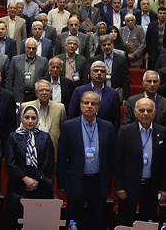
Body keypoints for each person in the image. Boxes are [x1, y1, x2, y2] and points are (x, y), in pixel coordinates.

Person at [56, 92, 115, 230]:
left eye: (93, 103)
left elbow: (111, 157)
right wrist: (62, 182)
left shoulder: (108, 127)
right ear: (80, 105)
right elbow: (62, 157)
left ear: (98, 107)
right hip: (76, 181)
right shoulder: (68, 126)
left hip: (98, 182)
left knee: (98, 221)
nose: (89, 106)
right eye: (86, 103)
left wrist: (108, 180)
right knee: (74, 222)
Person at [115, 97, 166, 225]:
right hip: (129, 187)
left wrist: (163, 188)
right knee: (125, 222)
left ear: (154, 112)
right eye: (142, 110)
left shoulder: (163, 132)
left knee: (148, 222)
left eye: (149, 110)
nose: (145, 113)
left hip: (151, 187)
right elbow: (118, 162)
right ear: (135, 112)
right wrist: (119, 186)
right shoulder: (125, 131)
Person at [5, 105, 55, 229]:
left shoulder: (45, 137)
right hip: (19, 184)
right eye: (27, 117)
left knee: (39, 222)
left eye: (33, 118)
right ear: (22, 118)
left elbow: (48, 162)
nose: (30, 121)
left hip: (40, 185)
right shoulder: (13, 136)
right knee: (17, 221)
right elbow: (10, 162)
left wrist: (36, 180)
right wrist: (25, 178)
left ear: (38, 119)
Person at [68, 61, 121, 132]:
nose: (99, 73)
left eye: (102, 71)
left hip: (104, 132)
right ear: (90, 74)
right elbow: (72, 115)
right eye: (96, 71)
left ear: (106, 75)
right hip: (81, 131)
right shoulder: (79, 91)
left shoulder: (113, 94)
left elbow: (116, 120)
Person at [89, 35, 131, 99]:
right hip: (99, 92)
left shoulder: (122, 59)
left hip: (116, 92)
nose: (106, 47)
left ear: (113, 44)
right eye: (104, 45)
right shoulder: (95, 60)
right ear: (101, 46)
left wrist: (125, 97)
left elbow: (126, 79)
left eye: (109, 44)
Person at [7, 38, 49, 102]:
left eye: (33, 48)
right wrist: (10, 96)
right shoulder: (15, 60)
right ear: (25, 48)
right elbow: (10, 80)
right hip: (18, 96)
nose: (31, 50)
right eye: (29, 48)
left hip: (36, 96)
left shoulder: (43, 61)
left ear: (36, 49)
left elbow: (46, 80)